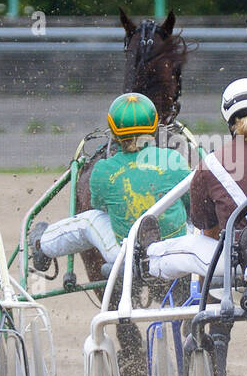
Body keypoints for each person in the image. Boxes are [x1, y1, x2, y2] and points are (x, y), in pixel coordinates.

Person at [146, 78, 247, 281]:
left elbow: (206, 227)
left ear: (228, 115)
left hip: (231, 264)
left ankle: (149, 257)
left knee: (185, 247)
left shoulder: (209, 164)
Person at [30, 92, 189, 272]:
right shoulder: (174, 159)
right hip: (177, 249)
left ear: (113, 131)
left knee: (88, 220)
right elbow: (192, 203)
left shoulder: (103, 170)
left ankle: (41, 245)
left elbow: (99, 205)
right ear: (154, 127)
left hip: (125, 253)